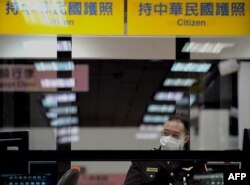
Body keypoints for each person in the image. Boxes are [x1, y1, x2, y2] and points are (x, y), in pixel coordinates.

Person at [123, 115, 207, 185]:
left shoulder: (195, 164)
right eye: (166, 133)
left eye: (175, 135)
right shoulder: (143, 161)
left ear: (185, 139)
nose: (169, 138)